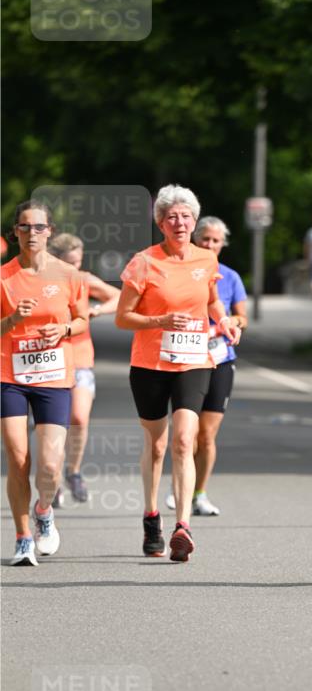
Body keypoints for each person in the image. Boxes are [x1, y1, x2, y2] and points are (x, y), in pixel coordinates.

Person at [115, 185, 240, 562]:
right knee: (156, 445)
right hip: (150, 364)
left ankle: (182, 525)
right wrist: (161, 319)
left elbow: (214, 300)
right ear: (161, 223)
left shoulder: (206, 259)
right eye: (172, 217)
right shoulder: (144, 262)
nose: (180, 222)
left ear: (194, 220)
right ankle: (152, 516)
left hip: (193, 360)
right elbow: (123, 317)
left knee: (185, 441)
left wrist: (226, 320)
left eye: (186, 216)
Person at [1, 200, 88, 566]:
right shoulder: (3, 277)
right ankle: (22, 538)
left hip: (53, 376)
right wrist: (10, 321)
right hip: (10, 375)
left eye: (39, 227)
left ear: (49, 231)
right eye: (24, 227)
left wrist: (64, 328)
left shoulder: (69, 275)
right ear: (16, 233)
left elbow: (83, 320)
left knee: (51, 466)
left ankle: (44, 509)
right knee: (18, 459)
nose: (31, 234)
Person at [165, 215, 248, 515]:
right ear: (195, 240)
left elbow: (242, 317)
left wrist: (225, 325)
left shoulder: (231, 277)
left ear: (223, 244)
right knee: (185, 432)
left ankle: (199, 492)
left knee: (207, 435)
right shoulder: (181, 272)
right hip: (186, 358)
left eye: (216, 240)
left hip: (220, 359)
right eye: (205, 240)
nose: (210, 245)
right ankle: (180, 489)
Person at [47, 233, 120, 507]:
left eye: (79, 261)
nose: (76, 268)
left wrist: (96, 311)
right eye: (70, 262)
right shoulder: (41, 282)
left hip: (80, 361)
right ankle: (51, 478)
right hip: (49, 363)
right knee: (54, 425)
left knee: (78, 418)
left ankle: (73, 471)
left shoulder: (83, 279)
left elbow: (119, 297)